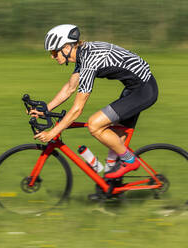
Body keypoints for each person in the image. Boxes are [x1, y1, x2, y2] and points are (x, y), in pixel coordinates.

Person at [30, 24, 158, 179]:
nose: (52, 56)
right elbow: (70, 88)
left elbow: (77, 109)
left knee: (94, 124)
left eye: (54, 51)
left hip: (143, 91)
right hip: (133, 89)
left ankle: (130, 161)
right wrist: (45, 109)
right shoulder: (82, 55)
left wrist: (53, 132)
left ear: (66, 47)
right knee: (115, 138)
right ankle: (111, 184)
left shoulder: (89, 62)